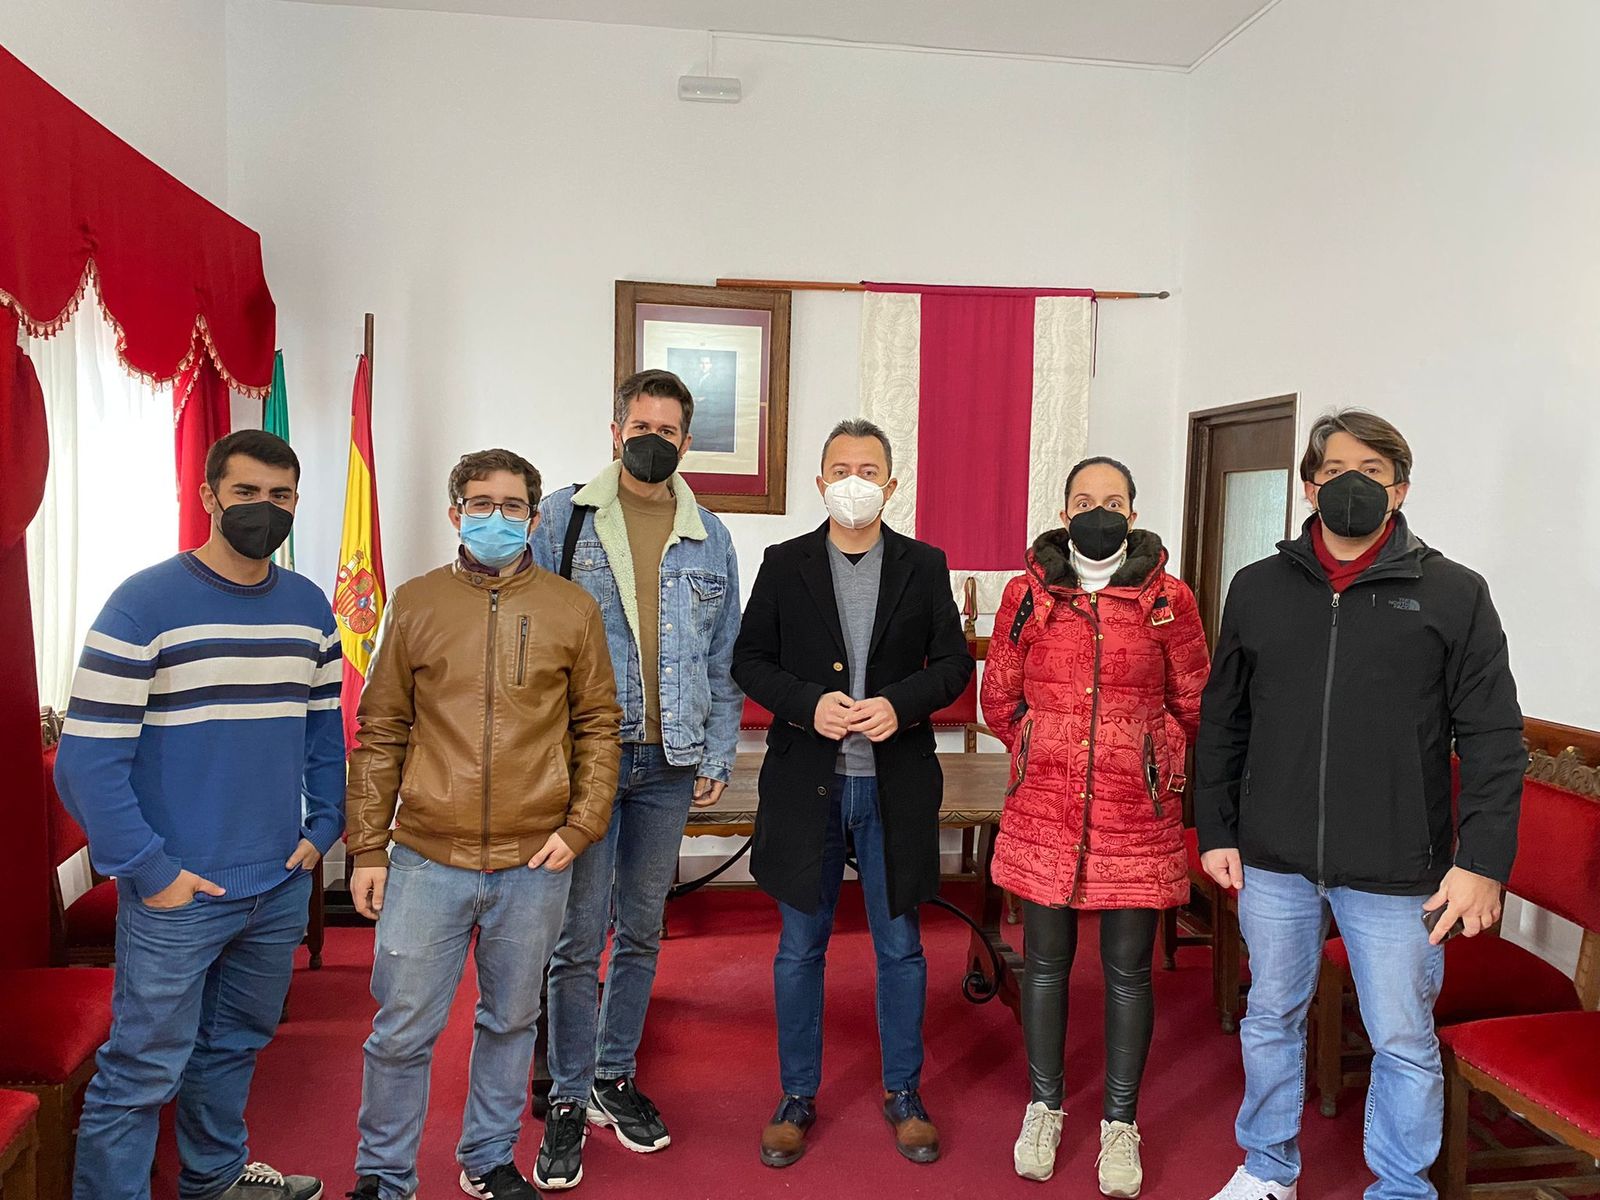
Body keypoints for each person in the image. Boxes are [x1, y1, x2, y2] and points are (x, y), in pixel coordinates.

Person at [1195, 411, 1524, 1200]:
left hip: (1399, 867)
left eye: (1371, 471)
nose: (1350, 483)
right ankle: (1267, 1169)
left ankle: (1401, 1188)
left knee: (1404, 1039)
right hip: (1273, 856)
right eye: (1334, 468)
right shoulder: (1257, 587)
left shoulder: (1453, 593)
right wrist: (1214, 826)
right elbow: (1222, 717)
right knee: (1269, 1018)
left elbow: (1493, 737)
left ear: (1400, 488)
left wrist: (1482, 862)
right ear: (1309, 485)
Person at [55, 430, 343, 1200]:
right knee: (142, 1071)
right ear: (210, 496)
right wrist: (150, 871)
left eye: (281, 496)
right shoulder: (144, 602)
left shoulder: (310, 607)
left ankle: (214, 1179)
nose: (264, 509)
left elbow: (323, 731)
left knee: (234, 1046)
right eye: (246, 493)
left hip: (278, 880)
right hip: (178, 889)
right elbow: (85, 761)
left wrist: (324, 831)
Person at [345, 449, 621, 1200]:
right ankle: (382, 1177)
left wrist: (583, 822)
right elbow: (381, 730)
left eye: (511, 506)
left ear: (534, 518)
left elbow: (599, 726)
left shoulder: (572, 609)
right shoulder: (416, 602)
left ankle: (489, 1159)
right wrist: (368, 846)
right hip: (428, 857)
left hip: (535, 861)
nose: (494, 518)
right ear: (454, 512)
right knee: (401, 1030)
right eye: (479, 503)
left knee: (510, 1021)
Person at [731, 417, 974, 1169]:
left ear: (892, 484)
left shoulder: (924, 564)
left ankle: (904, 1091)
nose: (855, 480)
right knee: (799, 948)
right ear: (820, 482)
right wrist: (807, 703)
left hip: (893, 784)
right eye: (841, 467)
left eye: (869, 468)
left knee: (901, 947)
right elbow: (750, 660)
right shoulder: (783, 562)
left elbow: (954, 665)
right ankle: (796, 1095)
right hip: (810, 782)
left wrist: (901, 703)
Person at [531, 368, 742, 1189]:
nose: (653, 438)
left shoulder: (711, 534)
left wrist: (717, 755)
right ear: (615, 431)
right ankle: (567, 1095)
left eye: (669, 428)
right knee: (578, 937)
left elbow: (725, 662)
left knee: (644, 929)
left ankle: (614, 1077)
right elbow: (533, 635)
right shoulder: (562, 517)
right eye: (640, 424)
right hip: (588, 760)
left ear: (688, 442)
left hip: (671, 763)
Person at [982, 456, 1211, 1195]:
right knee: (1044, 965)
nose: (1098, 511)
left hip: (1134, 813)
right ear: (1063, 511)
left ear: (1134, 514)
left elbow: (1195, 699)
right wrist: (1036, 744)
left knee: (1128, 972)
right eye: (1085, 500)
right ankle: (1044, 1106)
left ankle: (1120, 1123)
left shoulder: (1168, 599)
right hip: (1044, 808)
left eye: (1113, 500)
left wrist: (1154, 754)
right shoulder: (1027, 594)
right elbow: (999, 696)